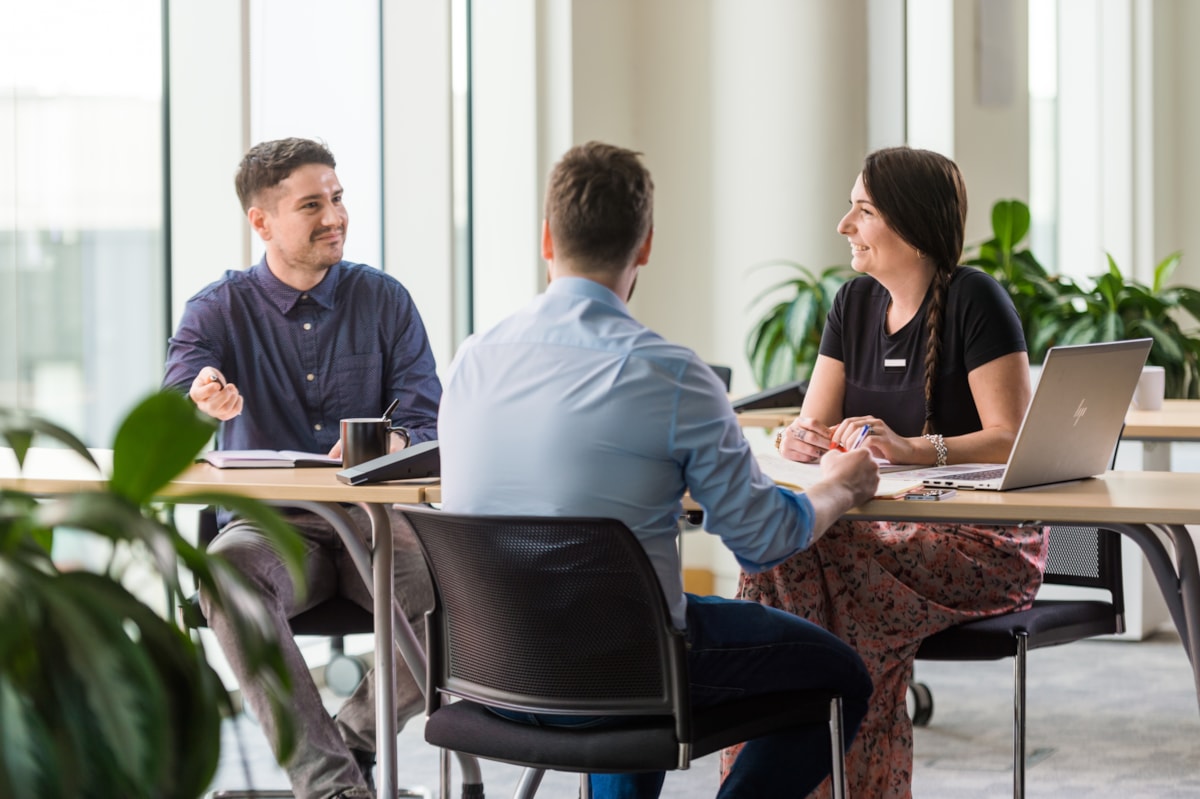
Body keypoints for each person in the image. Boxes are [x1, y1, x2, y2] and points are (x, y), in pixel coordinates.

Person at [437, 140, 880, 799]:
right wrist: (839, 487)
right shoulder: (668, 373)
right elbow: (761, 540)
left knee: (635, 625)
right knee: (841, 675)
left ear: (546, 238)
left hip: (490, 663)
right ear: (645, 245)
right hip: (621, 669)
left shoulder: (471, 359)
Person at [723, 146, 1048, 798]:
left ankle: (798, 777)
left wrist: (912, 447)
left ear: (910, 223)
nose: (844, 223)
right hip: (879, 535)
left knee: (813, 559)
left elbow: (1014, 438)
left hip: (986, 543)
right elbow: (809, 425)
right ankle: (798, 764)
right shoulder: (852, 304)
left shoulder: (974, 299)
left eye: (863, 210)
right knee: (782, 549)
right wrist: (803, 437)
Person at [163, 137, 441, 799]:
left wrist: (395, 438)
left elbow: (428, 418)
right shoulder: (217, 309)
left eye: (338, 198)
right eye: (312, 204)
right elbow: (174, 408)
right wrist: (201, 403)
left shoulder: (386, 301)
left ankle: (347, 743)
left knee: (454, 586)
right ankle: (333, 786)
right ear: (261, 221)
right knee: (226, 575)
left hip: (376, 520)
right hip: (274, 530)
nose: (335, 216)